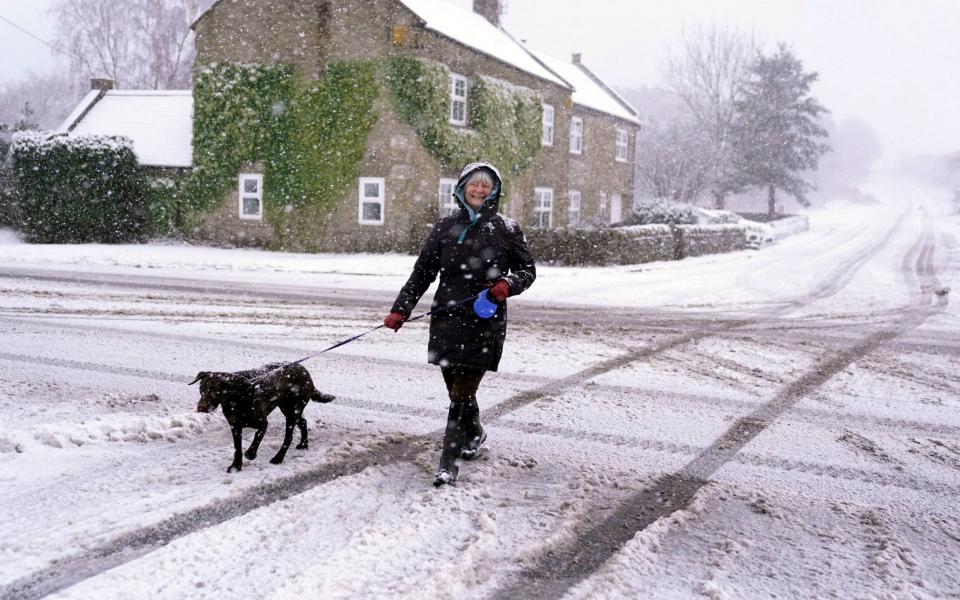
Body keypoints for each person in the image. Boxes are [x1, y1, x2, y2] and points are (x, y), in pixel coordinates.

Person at [383, 161, 536, 487]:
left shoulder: (507, 229)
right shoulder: (444, 228)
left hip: (485, 320)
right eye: (474, 184)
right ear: (462, 187)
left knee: (461, 392)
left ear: (494, 190)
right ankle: (475, 431)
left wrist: (507, 285)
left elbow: (528, 271)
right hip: (446, 320)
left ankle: (447, 462)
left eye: (486, 185)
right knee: (458, 391)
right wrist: (401, 309)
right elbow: (422, 273)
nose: (479, 189)